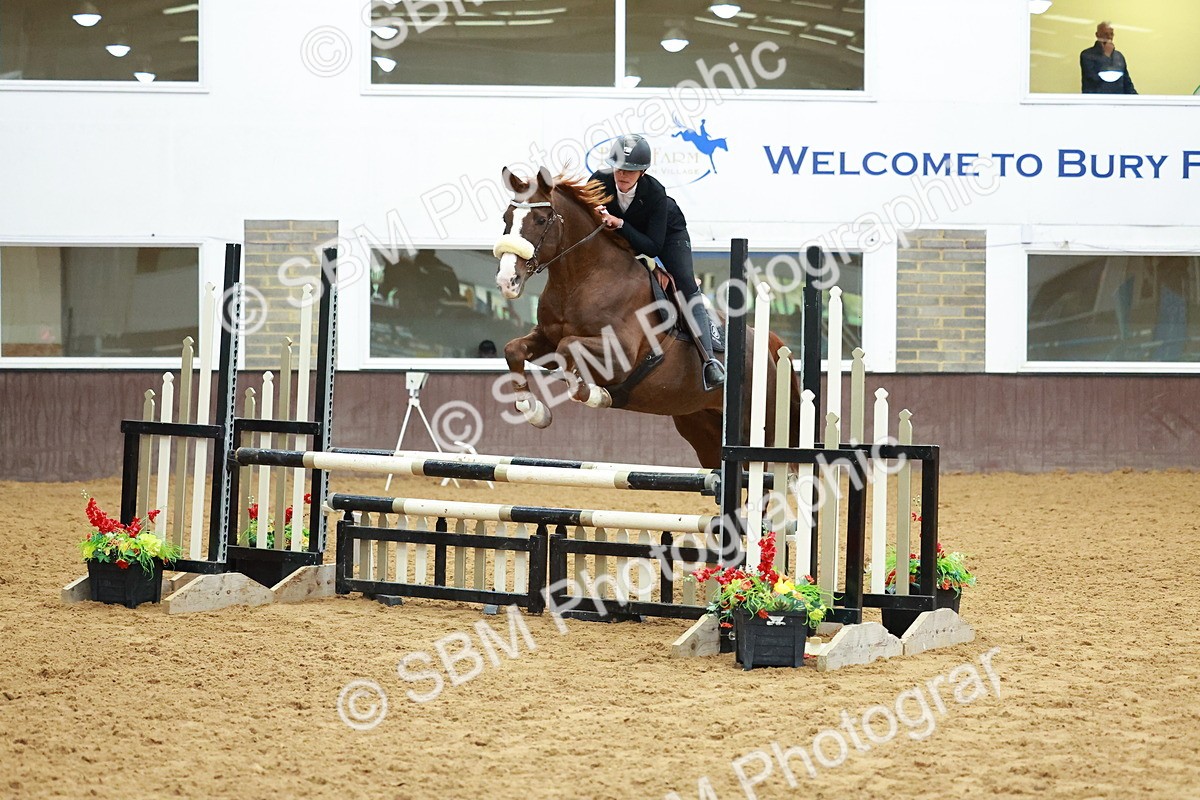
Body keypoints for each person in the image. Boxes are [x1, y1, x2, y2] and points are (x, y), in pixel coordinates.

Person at [588, 134, 726, 389]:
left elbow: (652, 246)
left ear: (642, 172)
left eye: (631, 170)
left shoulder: (655, 193)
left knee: (685, 283)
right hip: (623, 236)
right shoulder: (598, 181)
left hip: (666, 236)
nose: (623, 175)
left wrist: (619, 223)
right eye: (619, 168)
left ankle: (709, 361)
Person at [1080, 21, 1137, 95]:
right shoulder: (1087, 55)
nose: (1109, 37)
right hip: (1096, 101)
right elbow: (1093, 79)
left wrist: (1137, 100)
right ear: (1097, 35)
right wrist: (1106, 56)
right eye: (1105, 34)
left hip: (1118, 100)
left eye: (1111, 34)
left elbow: (1126, 82)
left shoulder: (1119, 56)